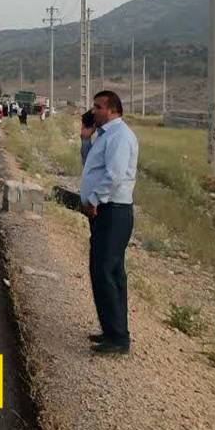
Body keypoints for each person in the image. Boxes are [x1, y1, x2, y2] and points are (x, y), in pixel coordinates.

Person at [80, 90, 139, 355]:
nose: (93, 111)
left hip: (113, 211)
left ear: (113, 110)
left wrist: (93, 200)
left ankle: (118, 338)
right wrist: (85, 138)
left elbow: (114, 175)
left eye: (98, 106)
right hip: (106, 210)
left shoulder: (120, 137)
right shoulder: (105, 136)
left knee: (106, 271)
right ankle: (112, 330)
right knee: (107, 272)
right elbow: (90, 167)